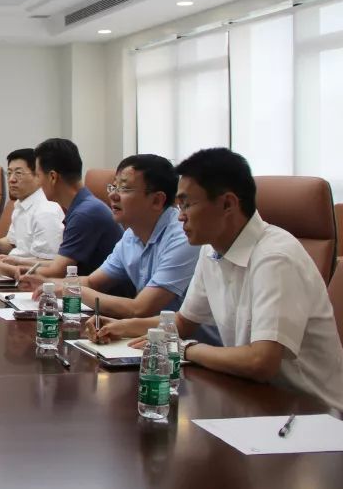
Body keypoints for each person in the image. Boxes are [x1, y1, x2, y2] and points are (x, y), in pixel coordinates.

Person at [89, 148, 343, 411]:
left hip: (309, 412)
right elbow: (182, 323)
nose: (180, 216)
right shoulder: (211, 250)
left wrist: (184, 349)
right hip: (252, 398)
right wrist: (122, 327)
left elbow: (261, 361)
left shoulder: (276, 258)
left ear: (227, 204)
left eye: (187, 204)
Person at [23, 154, 200, 319]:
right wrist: (48, 283)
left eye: (124, 188)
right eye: (113, 187)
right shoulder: (131, 234)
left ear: (157, 200)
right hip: (147, 332)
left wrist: (71, 290)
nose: (112, 195)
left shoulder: (182, 238)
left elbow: (141, 308)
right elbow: (92, 282)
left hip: (183, 340)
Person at [19, 138, 122, 281]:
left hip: (97, 294)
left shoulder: (85, 214)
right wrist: (16, 262)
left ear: (53, 177)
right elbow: (59, 263)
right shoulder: (83, 206)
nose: (37, 182)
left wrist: (6, 269)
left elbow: (58, 272)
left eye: (38, 175)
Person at [0, 149, 64, 277]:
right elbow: (12, 244)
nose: (11, 180)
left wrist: (10, 264)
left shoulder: (46, 211)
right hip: (12, 272)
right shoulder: (20, 205)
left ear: (38, 176)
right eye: (9, 173)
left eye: (18, 173)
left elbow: (50, 264)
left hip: (29, 279)